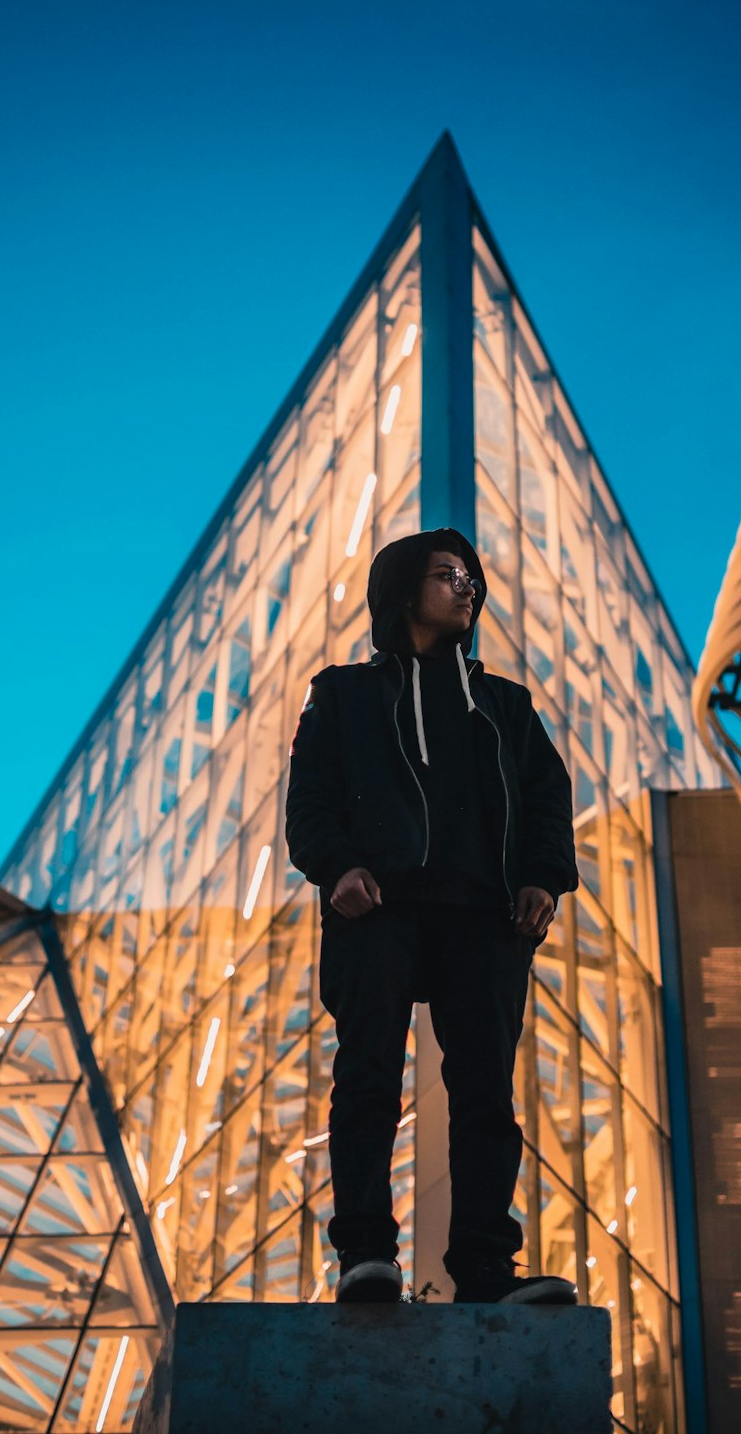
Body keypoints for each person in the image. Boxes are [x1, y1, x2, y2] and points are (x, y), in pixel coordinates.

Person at [285, 526, 579, 1305]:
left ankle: (485, 1269)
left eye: (470, 578)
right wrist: (338, 868)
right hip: (378, 905)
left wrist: (544, 879)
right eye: (448, 575)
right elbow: (309, 803)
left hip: (483, 916)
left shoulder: (504, 704)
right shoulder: (342, 694)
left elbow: (549, 800)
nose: (467, 588)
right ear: (403, 589)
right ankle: (365, 1258)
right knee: (369, 1079)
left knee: (486, 1094)